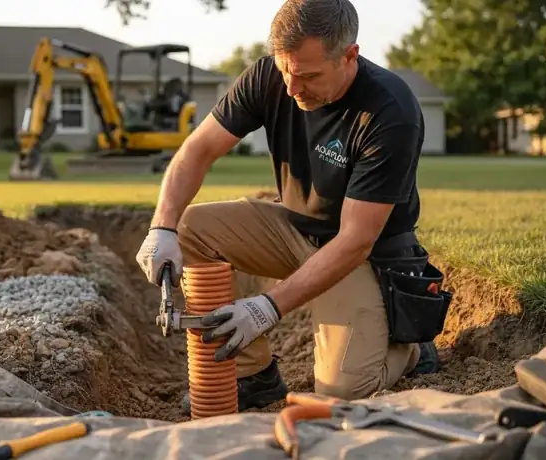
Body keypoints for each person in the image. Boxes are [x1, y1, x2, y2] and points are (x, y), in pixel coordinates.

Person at [136, 0, 448, 415]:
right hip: (295, 229)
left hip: (364, 257)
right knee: (191, 226)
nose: (292, 88)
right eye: (286, 70)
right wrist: (162, 226)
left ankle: (409, 351)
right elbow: (199, 149)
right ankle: (254, 376)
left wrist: (267, 307)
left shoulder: (389, 112)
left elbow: (355, 240)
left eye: (308, 75)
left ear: (349, 55)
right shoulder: (271, 75)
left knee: (342, 392)